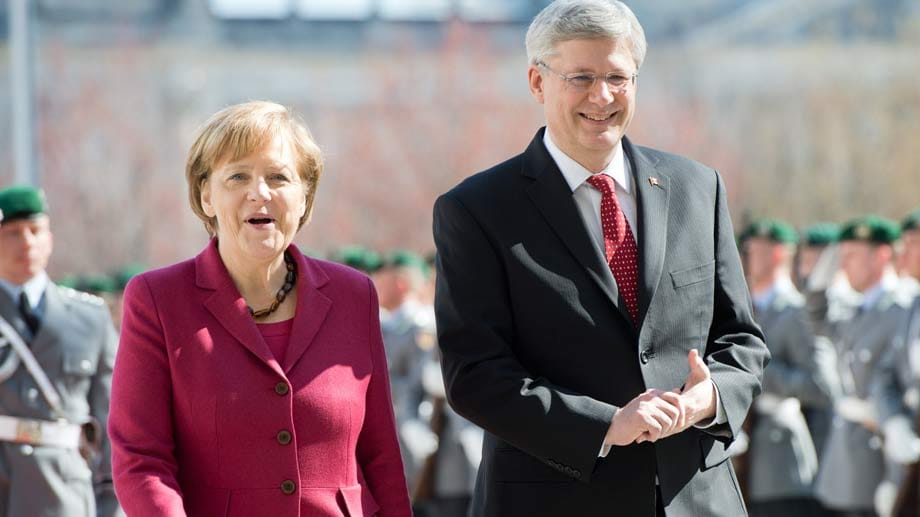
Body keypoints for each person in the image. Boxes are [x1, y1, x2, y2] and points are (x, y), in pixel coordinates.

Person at [431, 2, 769, 515]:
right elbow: (474, 375)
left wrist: (710, 399)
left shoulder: (699, 188)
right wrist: (607, 424)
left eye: (617, 77)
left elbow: (741, 340)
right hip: (555, 499)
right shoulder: (477, 210)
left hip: (695, 498)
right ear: (537, 83)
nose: (602, 96)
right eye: (582, 77)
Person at [107, 101, 411, 516]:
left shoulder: (354, 295)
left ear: (304, 197)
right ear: (206, 196)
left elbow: (381, 457)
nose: (260, 193)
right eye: (237, 177)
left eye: (278, 177)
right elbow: (141, 460)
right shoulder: (158, 300)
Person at [0, 185, 120, 516]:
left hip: (64, 492)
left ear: (49, 238)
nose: (25, 242)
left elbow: (112, 418)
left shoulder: (89, 317)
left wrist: (113, 501)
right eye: (11, 233)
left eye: (35, 230)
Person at [810, 215, 911, 517]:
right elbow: (817, 321)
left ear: (881, 255)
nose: (844, 264)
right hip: (849, 455)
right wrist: (819, 279)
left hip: (884, 449)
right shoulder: (857, 307)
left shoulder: (903, 306)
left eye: (852, 255)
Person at [737, 219, 835, 517]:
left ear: (779, 254)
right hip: (738, 458)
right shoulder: (739, 307)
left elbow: (821, 386)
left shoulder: (796, 311)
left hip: (779, 462)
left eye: (756, 251)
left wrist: (752, 372)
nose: (745, 257)